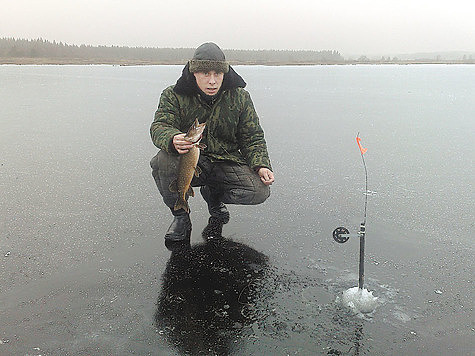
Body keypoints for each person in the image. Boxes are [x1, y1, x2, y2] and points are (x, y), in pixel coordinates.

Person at [150, 42, 274, 242]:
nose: (212, 81)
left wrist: (261, 165)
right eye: (205, 74)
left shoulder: (240, 97)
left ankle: (213, 195)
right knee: (161, 161)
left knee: (259, 191)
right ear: (194, 73)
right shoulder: (173, 95)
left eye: (218, 74)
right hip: (191, 162)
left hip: (226, 161)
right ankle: (180, 215)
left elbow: (252, 137)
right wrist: (172, 138)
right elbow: (160, 126)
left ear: (225, 73)